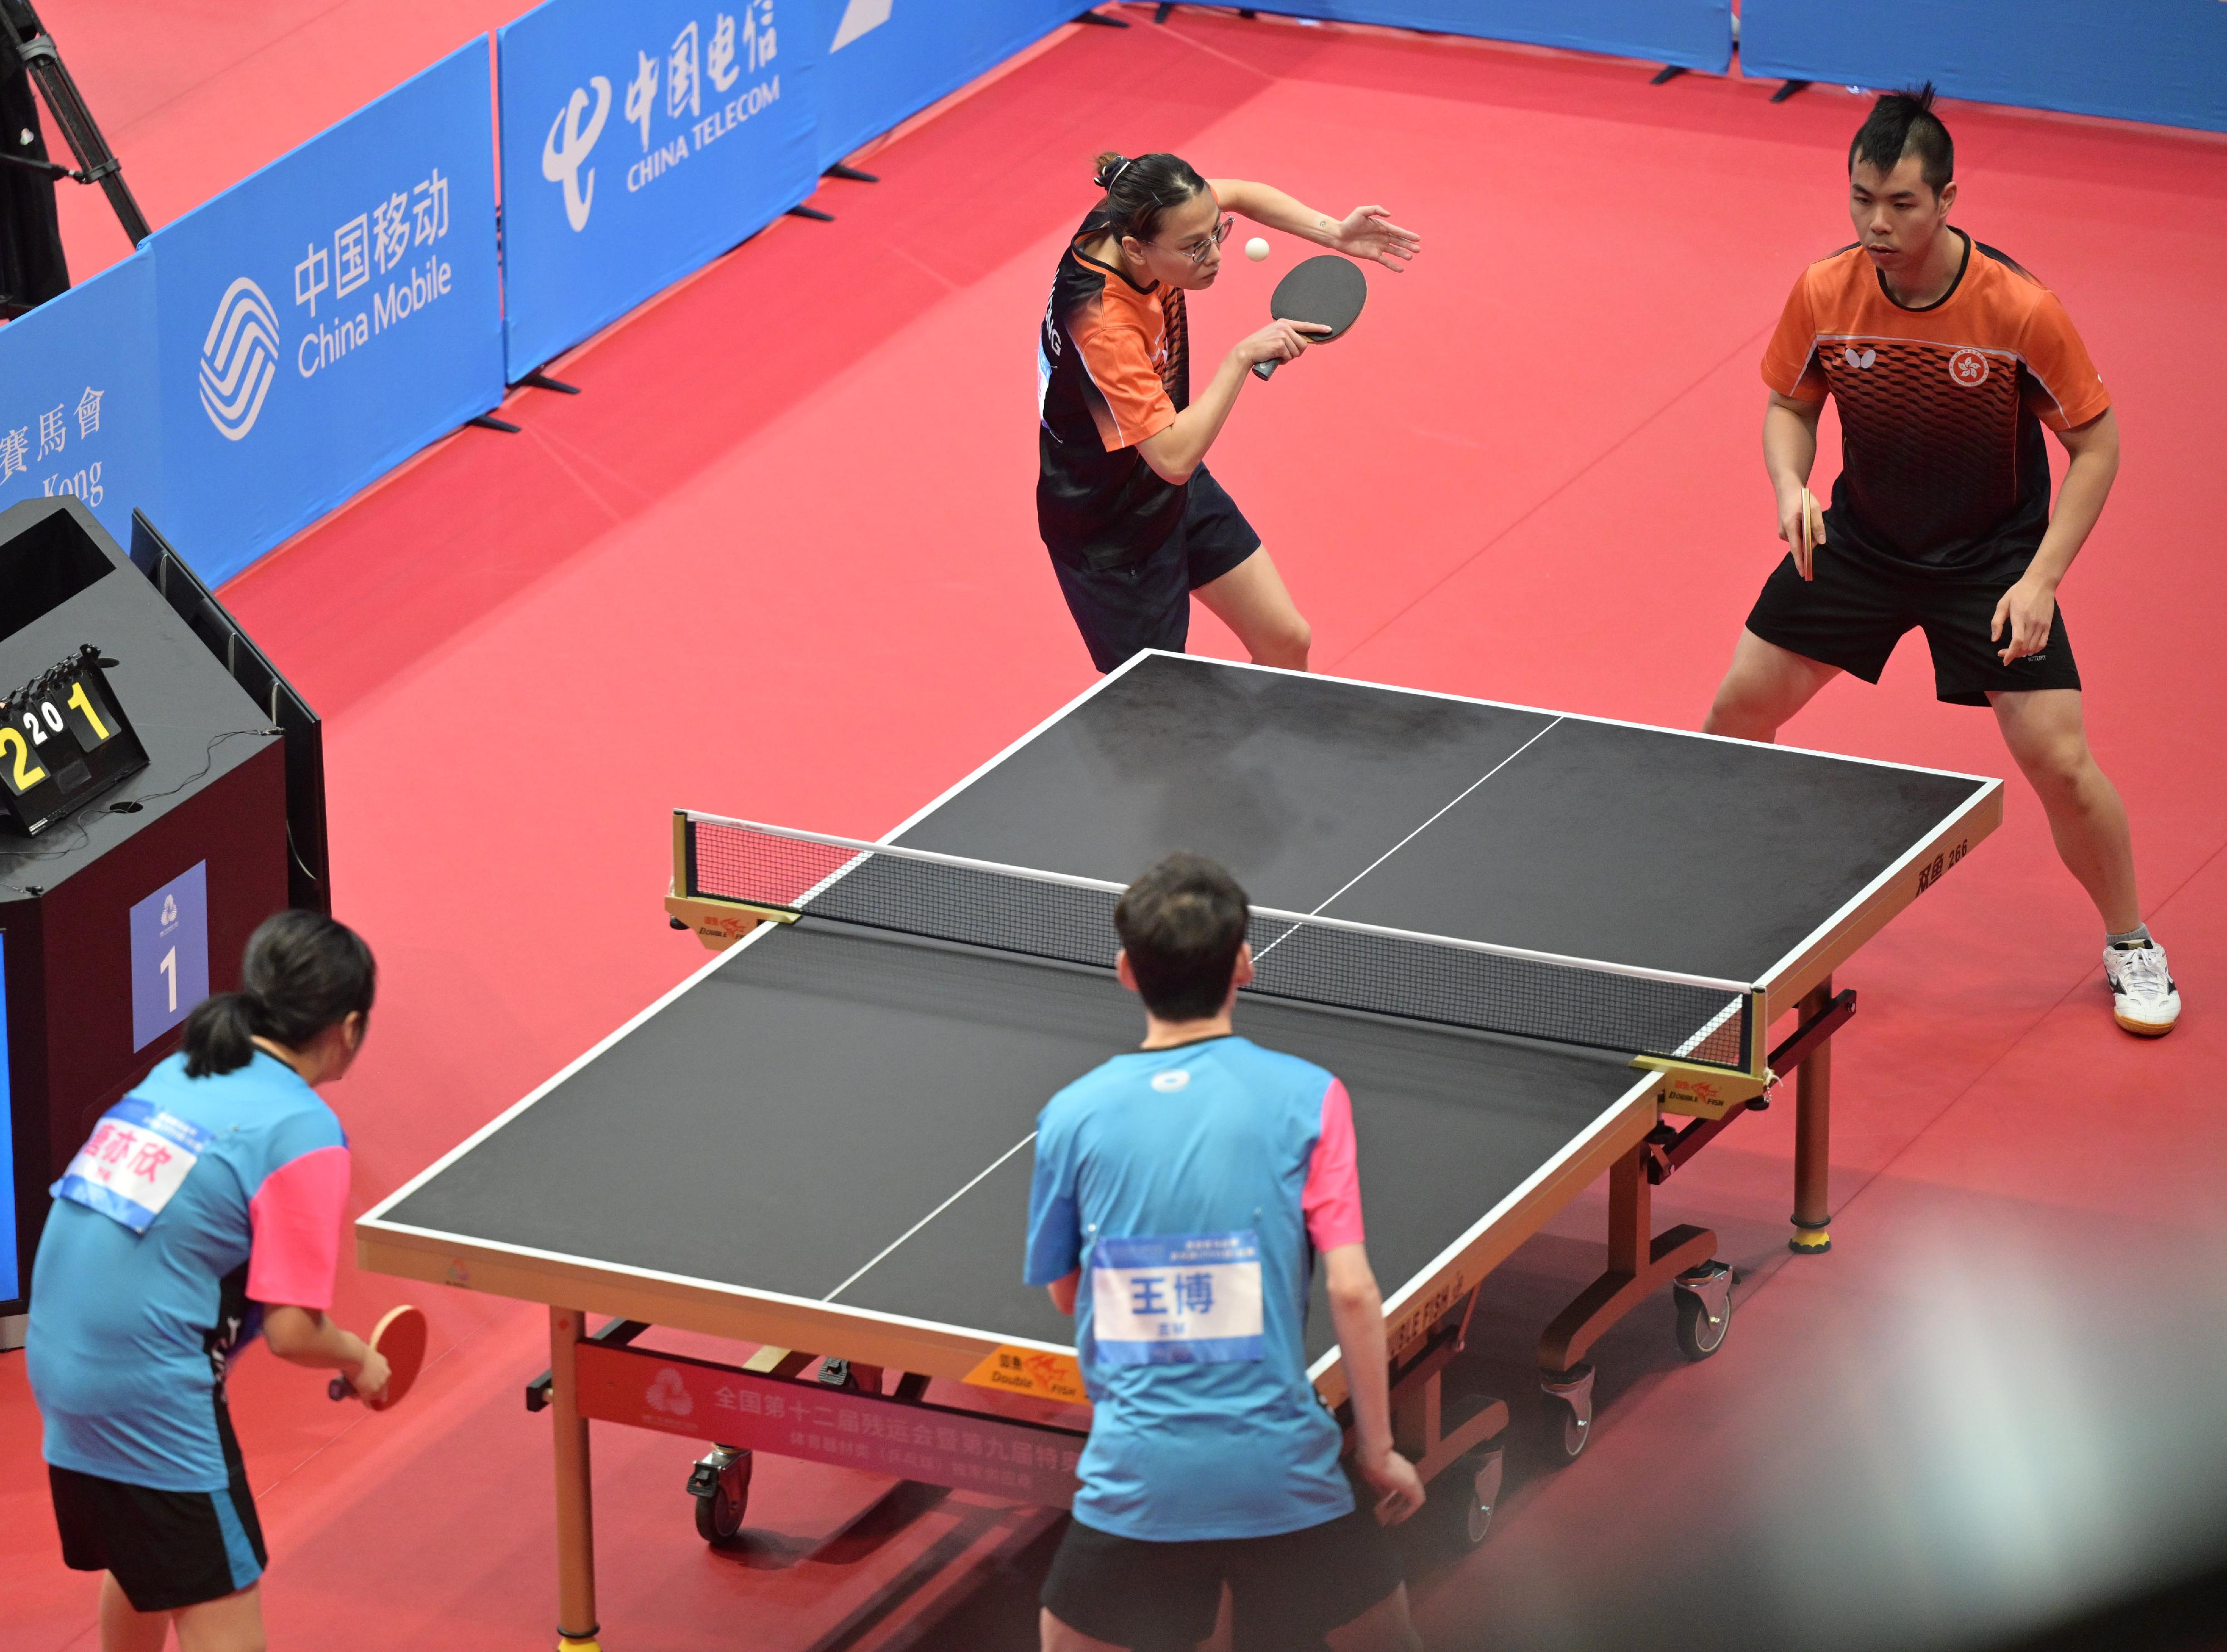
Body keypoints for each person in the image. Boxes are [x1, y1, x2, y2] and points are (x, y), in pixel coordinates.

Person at [1704, 86, 2178, 1038]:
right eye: (1861, 200)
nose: (1877, 224)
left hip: (1991, 566)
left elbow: (2100, 444)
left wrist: (2041, 577)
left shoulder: (2017, 309)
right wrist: (1790, 486)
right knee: (1730, 717)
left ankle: (2130, 940)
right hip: (1861, 544)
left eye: (1902, 204)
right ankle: (1707, 910)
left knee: (2059, 759)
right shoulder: (1824, 291)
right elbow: (1789, 405)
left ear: (1949, 197)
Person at [1024, 853, 1425, 1652]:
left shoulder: (1072, 1115)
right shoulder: (1312, 1096)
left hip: (1139, 1476)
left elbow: (1067, 1295)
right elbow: (1351, 1289)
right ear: (1245, 963)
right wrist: (1378, 1451)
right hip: (1284, 1472)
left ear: (1126, 971)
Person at [27, 911, 391, 1650]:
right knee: (222, 1593)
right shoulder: (304, 1131)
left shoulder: (184, 1068)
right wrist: (359, 1357)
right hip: (147, 1386)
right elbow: (293, 1332)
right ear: (349, 1028)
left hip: (58, 1355)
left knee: (146, 1557)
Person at [1036, 150, 1419, 674]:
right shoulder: (1103, 324)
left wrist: (1335, 235)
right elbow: (1172, 456)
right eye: (1194, 247)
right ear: (1134, 249)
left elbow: (1241, 192)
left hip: (1169, 480)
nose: (1214, 255)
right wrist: (1240, 359)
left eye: (1218, 233)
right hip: (1109, 527)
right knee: (1158, 705)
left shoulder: (1138, 211)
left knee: (1286, 639)